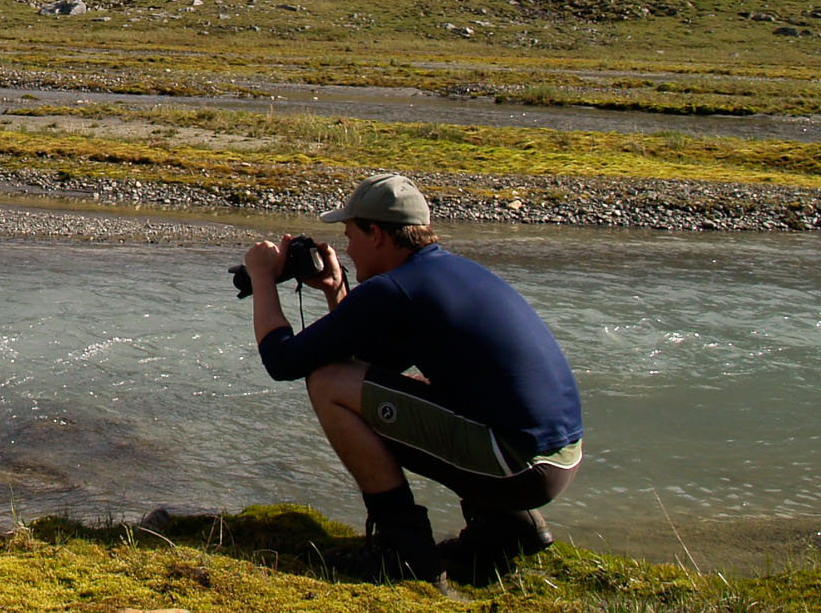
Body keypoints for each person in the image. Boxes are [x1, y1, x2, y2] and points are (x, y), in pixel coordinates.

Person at [243, 172, 583, 584]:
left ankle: (404, 550)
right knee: (418, 385)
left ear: (378, 236)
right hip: (557, 461)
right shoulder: (446, 273)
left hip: (515, 464)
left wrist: (262, 277)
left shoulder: (393, 290)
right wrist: (337, 292)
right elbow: (371, 370)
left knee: (327, 383)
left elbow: (285, 362)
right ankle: (507, 526)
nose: (346, 248)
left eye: (350, 234)